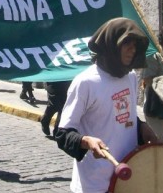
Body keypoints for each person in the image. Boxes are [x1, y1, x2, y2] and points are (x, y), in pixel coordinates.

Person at [55, 18, 157, 193]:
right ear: (111, 45)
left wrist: (141, 127)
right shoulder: (86, 82)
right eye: (127, 44)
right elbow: (63, 133)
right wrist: (86, 141)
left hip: (127, 178)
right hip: (94, 184)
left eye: (135, 46)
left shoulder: (130, 77)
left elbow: (122, 115)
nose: (132, 50)